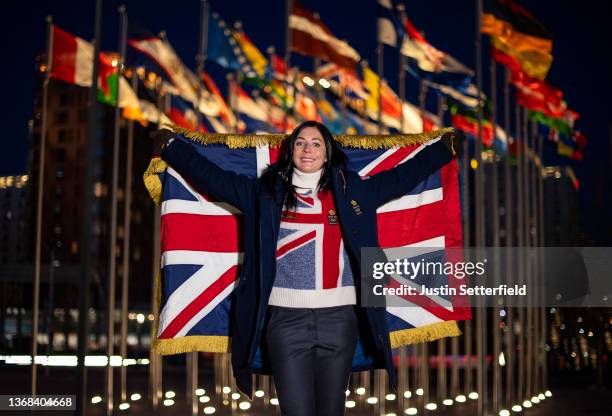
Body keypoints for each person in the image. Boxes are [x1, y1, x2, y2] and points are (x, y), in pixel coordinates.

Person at [153, 121, 464, 416]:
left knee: (331, 411)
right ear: (291, 151)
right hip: (285, 323)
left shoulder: (352, 189)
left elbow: (402, 177)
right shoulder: (263, 192)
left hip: (339, 320)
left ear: (327, 153)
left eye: (316, 144)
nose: (307, 149)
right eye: (300, 143)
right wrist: (171, 149)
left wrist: (443, 150)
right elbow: (212, 178)